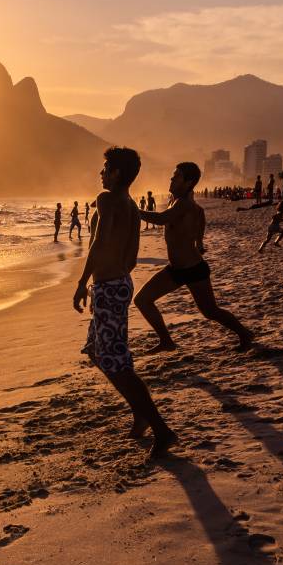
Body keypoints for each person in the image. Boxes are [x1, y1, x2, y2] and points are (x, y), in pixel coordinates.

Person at [74, 147, 176, 456]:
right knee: (97, 351)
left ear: (117, 173)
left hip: (109, 287)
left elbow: (98, 241)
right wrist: (115, 280)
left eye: (105, 168)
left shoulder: (106, 200)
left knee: (117, 364)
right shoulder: (131, 206)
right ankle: (140, 414)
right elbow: (130, 256)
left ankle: (160, 428)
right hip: (119, 284)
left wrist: (83, 282)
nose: (101, 173)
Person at [135, 162, 255, 353]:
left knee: (210, 311)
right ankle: (166, 341)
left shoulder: (184, 204)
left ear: (188, 182)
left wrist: (133, 210)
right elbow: (200, 222)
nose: (171, 179)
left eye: (176, 176)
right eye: (173, 176)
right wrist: (199, 243)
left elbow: (161, 219)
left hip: (192, 269)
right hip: (177, 269)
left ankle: (245, 333)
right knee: (142, 300)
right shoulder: (185, 204)